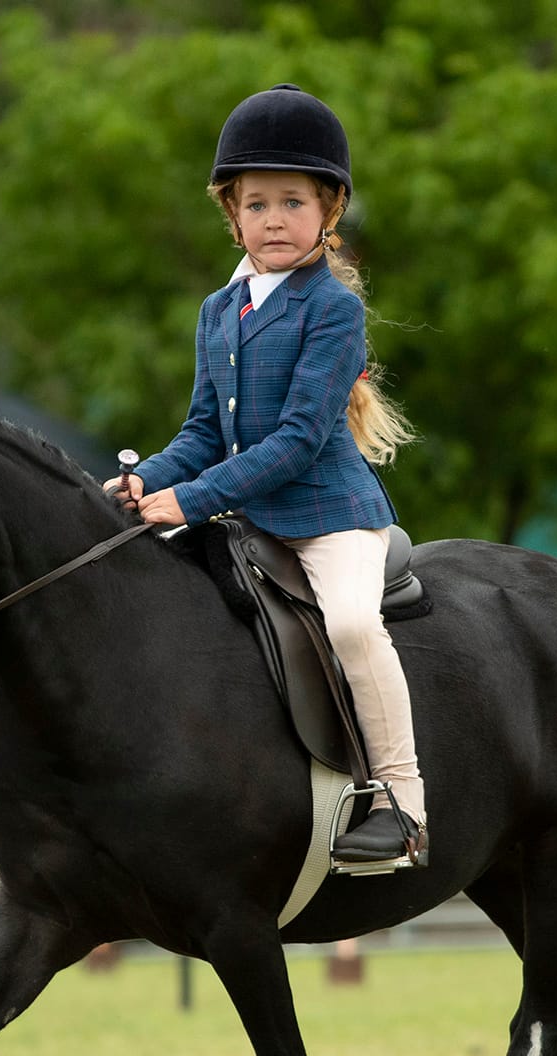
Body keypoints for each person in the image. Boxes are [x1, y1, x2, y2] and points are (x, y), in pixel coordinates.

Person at [105, 84, 424, 864]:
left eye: (292, 202)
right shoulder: (219, 310)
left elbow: (298, 440)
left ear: (328, 213)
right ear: (232, 214)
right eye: (256, 205)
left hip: (331, 517)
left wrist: (190, 501)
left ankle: (402, 804)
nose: (274, 219)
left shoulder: (334, 311)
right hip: (249, 522)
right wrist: (143, 483)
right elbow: (205, 432)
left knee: (351, 624)